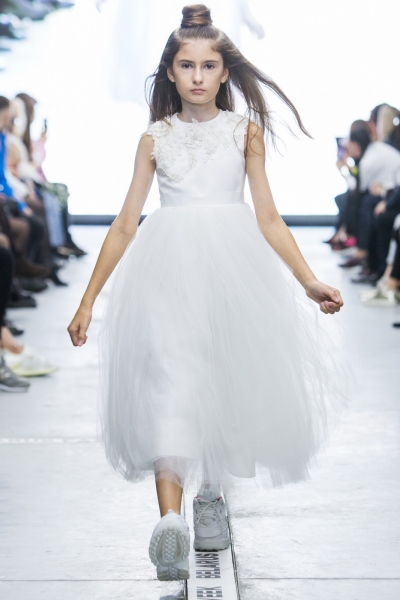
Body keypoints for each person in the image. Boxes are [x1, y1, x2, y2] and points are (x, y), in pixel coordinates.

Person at [68, 4, 353, 582]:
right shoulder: (154, 138)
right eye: (186, 65)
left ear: (225, 73)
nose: (197, 76)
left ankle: (209, 496)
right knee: (169, 383)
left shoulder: (244, 132)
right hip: (166, 271)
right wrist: (88, 300)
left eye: (208, 65)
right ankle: (170, 521)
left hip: (232, 269)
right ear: (169, 73)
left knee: (223, 380)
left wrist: (307, 280)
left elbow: (268, 217)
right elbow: (124, 224)